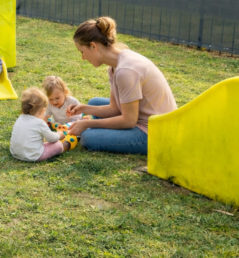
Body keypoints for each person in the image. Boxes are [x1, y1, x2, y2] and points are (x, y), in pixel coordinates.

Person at [66, 17, 177, 155]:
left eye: (82, 51)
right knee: (93, 103)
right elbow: (114, 108)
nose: (83, 57)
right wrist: (85, 109)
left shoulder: (126, 71)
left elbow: (128, 121)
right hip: (141, 116)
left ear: (94, 46)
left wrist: (88, 124)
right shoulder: (116, 64)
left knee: (88, 137)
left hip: (155, 132)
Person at [11, 88, 76, 162]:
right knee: (57, 145)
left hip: (15, 153)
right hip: (33, 156)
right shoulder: (39, 123)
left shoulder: (20, 118)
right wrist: (60, 134)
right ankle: (65, 145)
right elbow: (51, 138)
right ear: (41, 111)